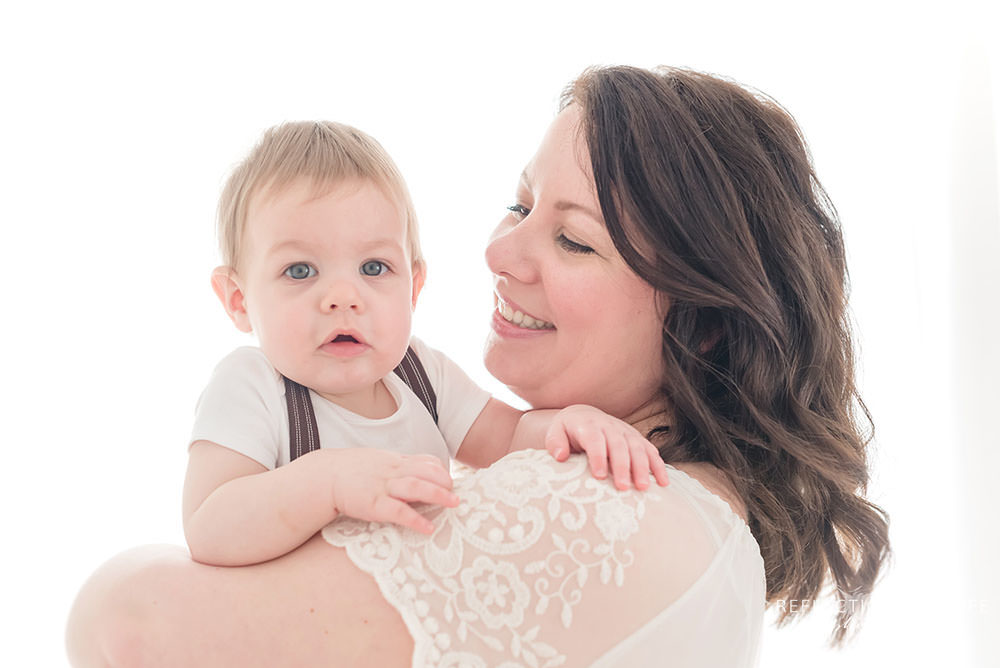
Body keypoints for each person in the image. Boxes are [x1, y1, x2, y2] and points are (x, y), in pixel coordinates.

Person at [66, 65, 890, 667]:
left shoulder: (607, 507)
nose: (498, 252)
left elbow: (129, 626)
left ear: (704, 326)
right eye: (519, 204)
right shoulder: (697, 524)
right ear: (236, 297)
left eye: (572, 238)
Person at [185, 120, 667, 566]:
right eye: (300, 271)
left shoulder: (420, 375)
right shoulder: (252, 386)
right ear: (239, 300)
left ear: (413, 288)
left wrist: (570, 425)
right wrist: (329, 481)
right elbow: (209, 525)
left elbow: (507, 440)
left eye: (374, 268)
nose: (343, 298)